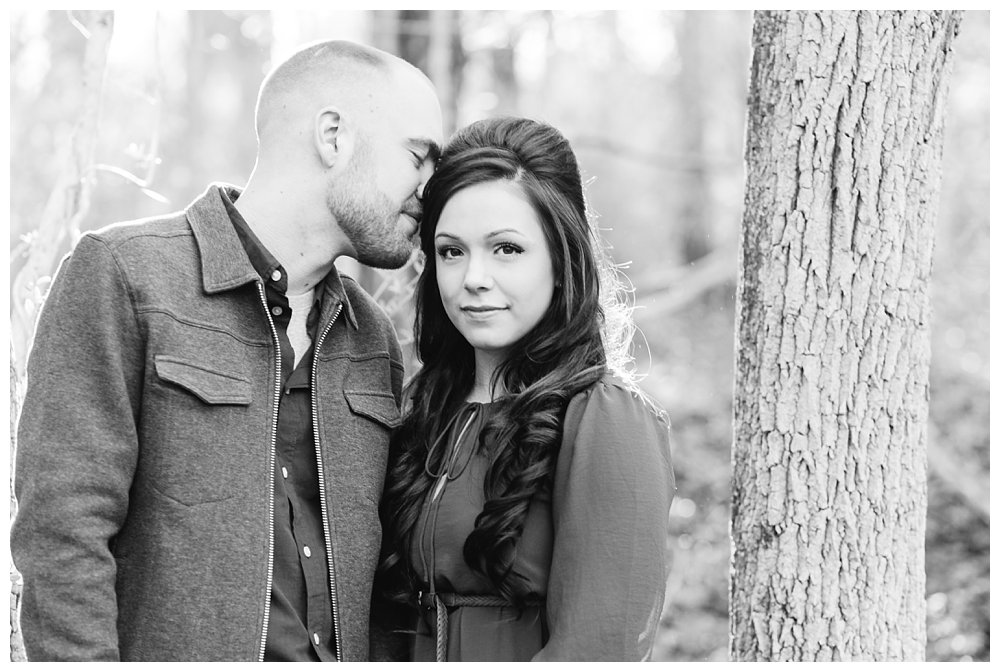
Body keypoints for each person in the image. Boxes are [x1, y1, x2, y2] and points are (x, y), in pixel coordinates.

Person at [10, 40, 443, 662]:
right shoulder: (127, 277)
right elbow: (62, 537)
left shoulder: (369, 333)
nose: (431, 188)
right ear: (333, 136)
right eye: (417, 155)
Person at [375, 116, 676, 661]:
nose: (474, 278)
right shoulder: (420, 409)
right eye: (451, 250)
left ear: (561, 260)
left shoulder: (604, 420)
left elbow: (598, 647)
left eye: (507, 249)